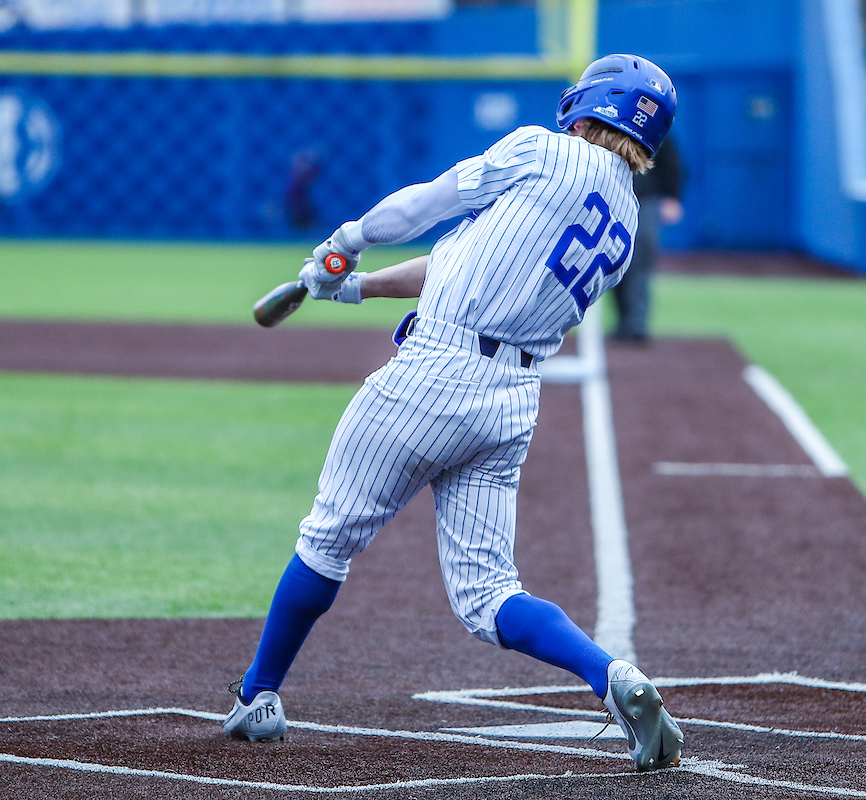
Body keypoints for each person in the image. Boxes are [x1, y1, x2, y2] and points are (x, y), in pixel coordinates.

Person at [221, 54, 684, 773]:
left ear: (589, 103)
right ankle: (610, 675)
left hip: (433, 374)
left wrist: (347, 241)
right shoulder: (623, 220)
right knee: (490, 593)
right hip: (510, 403)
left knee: (327, 539)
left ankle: (258, 696)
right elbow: (461, 259)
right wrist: (356, 287)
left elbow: (427, 205)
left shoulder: (542, 149)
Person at [611, 134, 685, 342]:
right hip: (614, 200)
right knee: (614, 262)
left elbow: (671, 162)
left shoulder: (652, 128)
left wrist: (672, 196)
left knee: (640, 263)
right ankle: (624, 321)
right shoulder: (609, 127)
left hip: (645, 202)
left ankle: (637, 324)